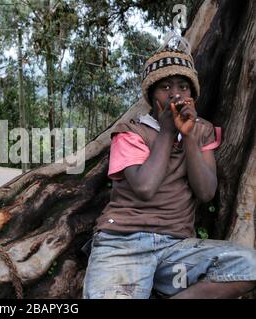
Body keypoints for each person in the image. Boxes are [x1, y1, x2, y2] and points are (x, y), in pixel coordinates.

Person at [83, 35, 256, 299]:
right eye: (165, 87)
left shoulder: (201, 131)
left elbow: (206, 191)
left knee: (248, 266)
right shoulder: (131, 133)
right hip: (123, 243)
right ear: (152, 96)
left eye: (183, 87)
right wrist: (166, 131)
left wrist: (188, 136)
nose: (176, 94)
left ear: (193, 94)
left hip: (176, 249)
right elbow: (144, 187)